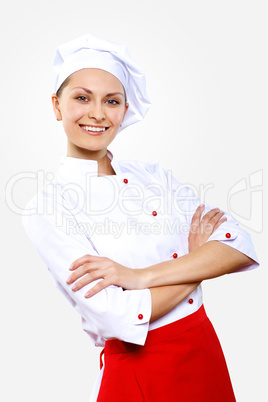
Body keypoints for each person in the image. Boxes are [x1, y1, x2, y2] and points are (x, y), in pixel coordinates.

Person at [22, 33, 259, 401]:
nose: (98, 113)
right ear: (56, 105)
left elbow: (238, 246)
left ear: (125, 111)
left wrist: (137, 277)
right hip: (139, 372)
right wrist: (198, 265)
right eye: (82, 97)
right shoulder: (49, 205)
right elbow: (118, 315)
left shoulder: (153, 176)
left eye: (111, 101)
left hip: (204, 350)